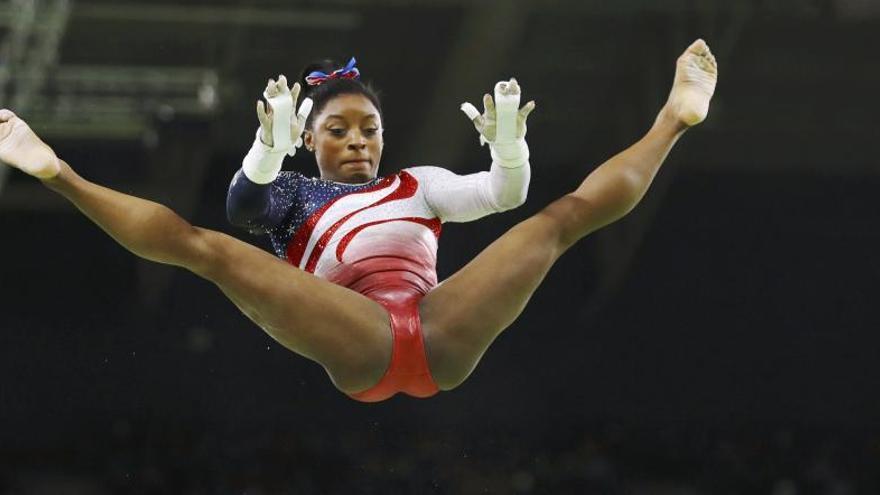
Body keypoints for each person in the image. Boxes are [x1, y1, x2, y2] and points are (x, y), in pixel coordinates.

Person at [0, 39, 717, 402]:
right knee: (204, 249)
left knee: (562, 220)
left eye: (368, 129)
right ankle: (58, 173)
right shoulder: (291, 197)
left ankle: (673, 121)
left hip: (439, 327)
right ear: (311, 141)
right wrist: (267, 147)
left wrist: (508, 148)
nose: (356, 142)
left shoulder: (420, 184)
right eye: (337, 130)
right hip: (360, 339)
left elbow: (503, 195)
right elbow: (239, 210)